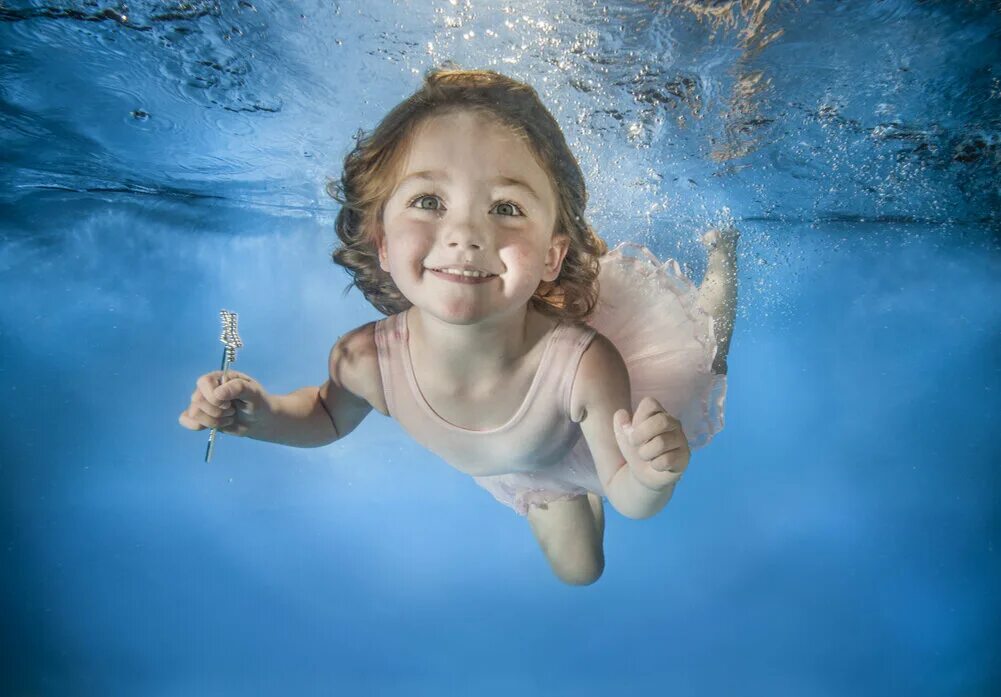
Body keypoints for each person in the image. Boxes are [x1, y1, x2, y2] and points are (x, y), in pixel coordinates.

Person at [179, 68, 739, 586]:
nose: (466, 234)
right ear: (381, 240)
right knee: (581, 572)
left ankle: (723, 261)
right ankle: (565, 496)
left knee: (702, 343)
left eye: (506, 208)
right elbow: (326, 416)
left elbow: (627, 494)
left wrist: (650, 476)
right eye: (428, 200)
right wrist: (262, 414)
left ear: (551, 254)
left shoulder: (586, 365)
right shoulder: (365, 361)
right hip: (529, 465)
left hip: (591, 436)